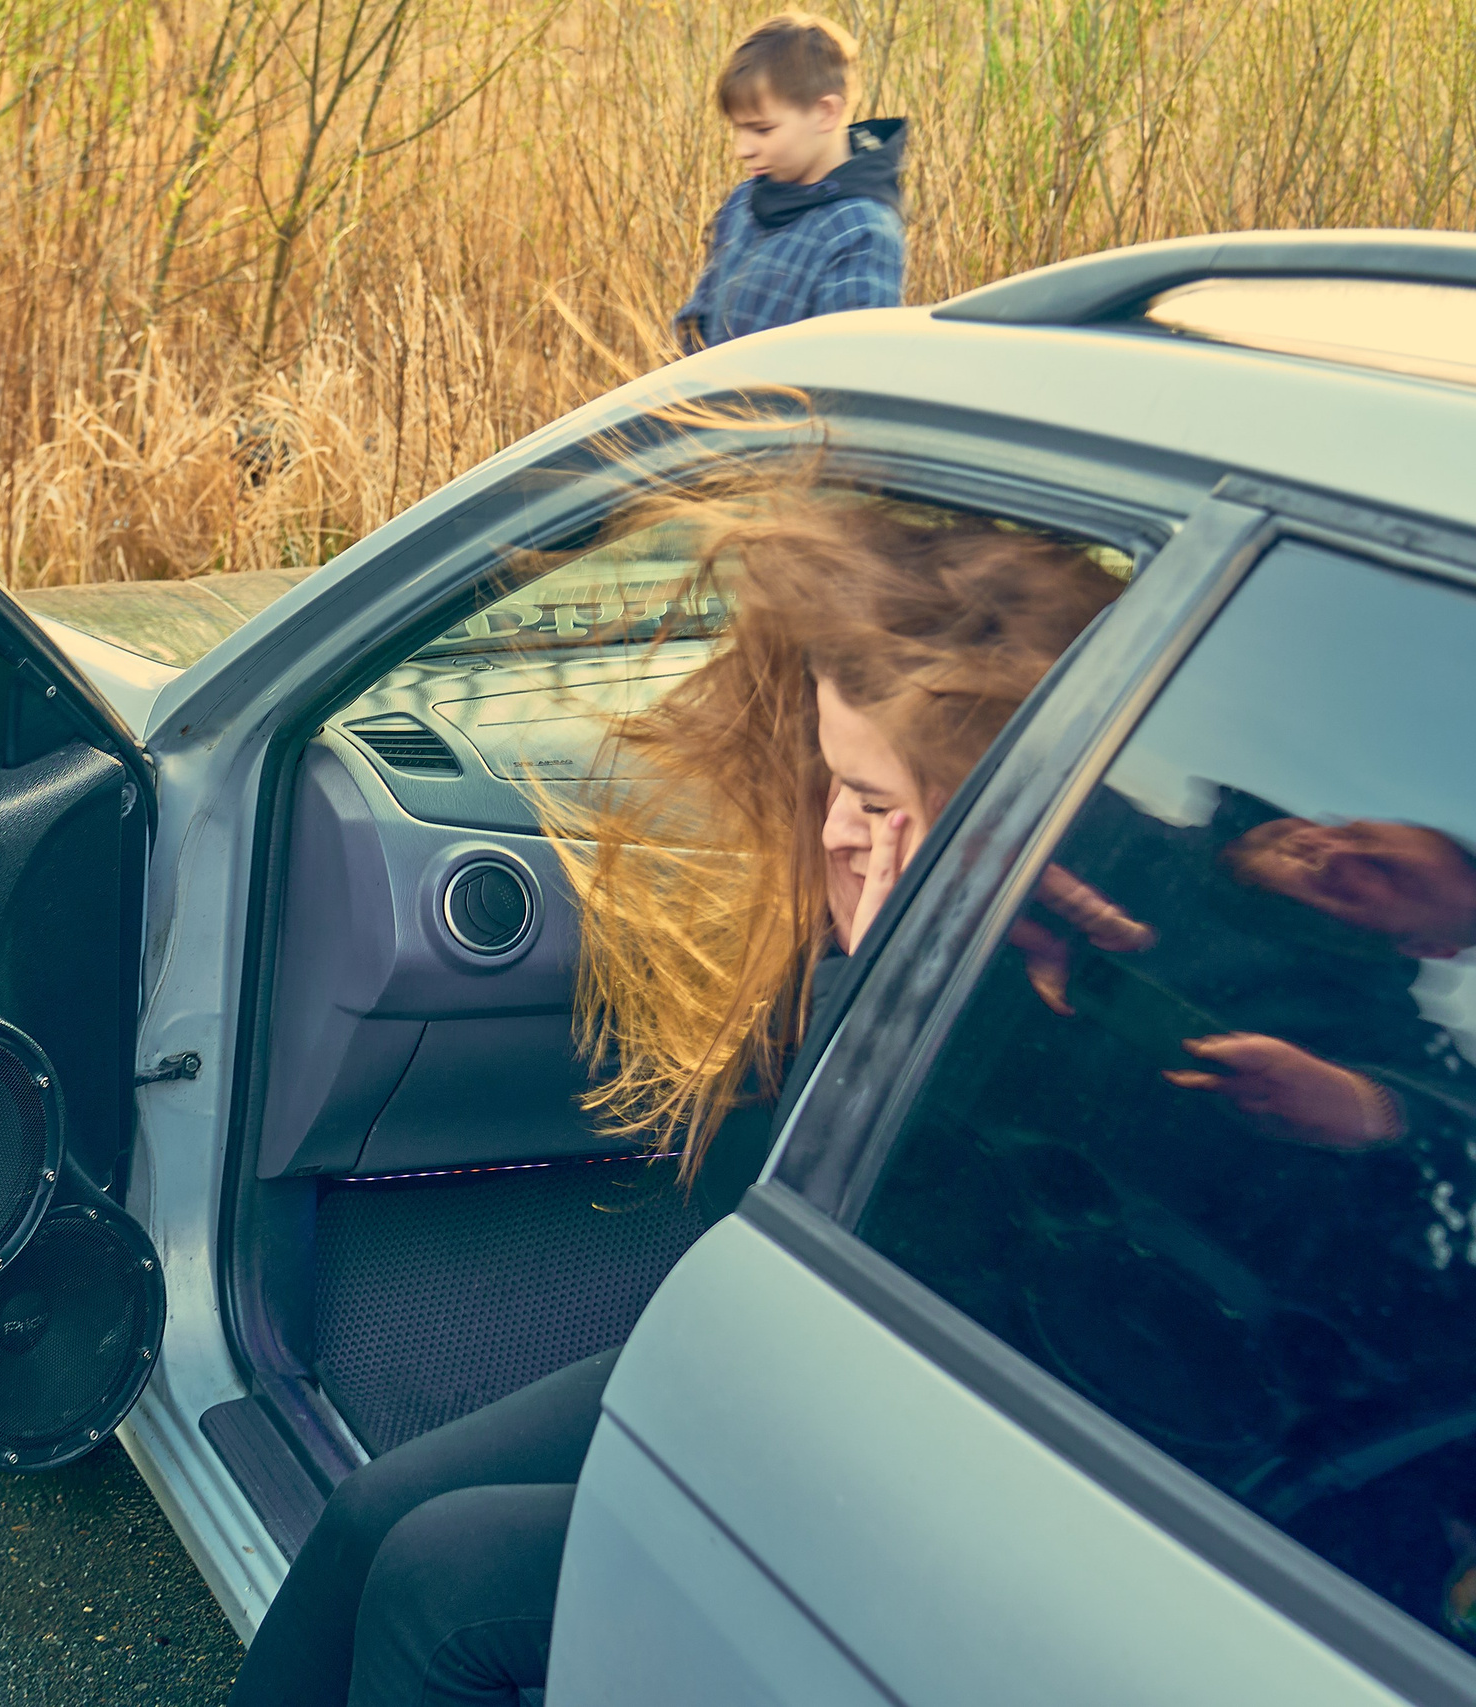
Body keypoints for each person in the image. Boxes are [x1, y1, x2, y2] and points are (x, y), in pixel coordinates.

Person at [226, 491, 1123, 1707]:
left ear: (1010, 818)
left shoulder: (1105, 1030)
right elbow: (748, 1211)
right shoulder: (890, 944)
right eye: (834, 783)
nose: (839, 836)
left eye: (876, 802)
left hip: (947, 1483)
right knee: (373, 1509)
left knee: (444, 1586)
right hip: (787, 1377)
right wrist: (869, 962)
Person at [674, 12, 908, 354]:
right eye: (738, 129)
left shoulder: (862, 232)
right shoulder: (743, 203)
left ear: (826, 112)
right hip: (706, 408)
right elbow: (697, 329)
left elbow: (849, 381)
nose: (742, 150)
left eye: (762, 130)